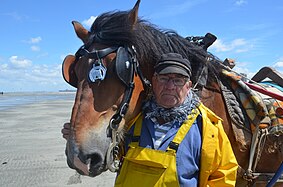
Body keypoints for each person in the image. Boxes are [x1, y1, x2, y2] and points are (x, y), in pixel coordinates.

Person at [62, 53, 238, 187]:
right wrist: (81, 137)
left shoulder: (209, 128)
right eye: (164, 78)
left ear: (188, 86)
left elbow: (223, 175)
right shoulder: (132, 121)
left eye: (178, 80)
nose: (170, 87)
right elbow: (109, 157)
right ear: (153, 81)